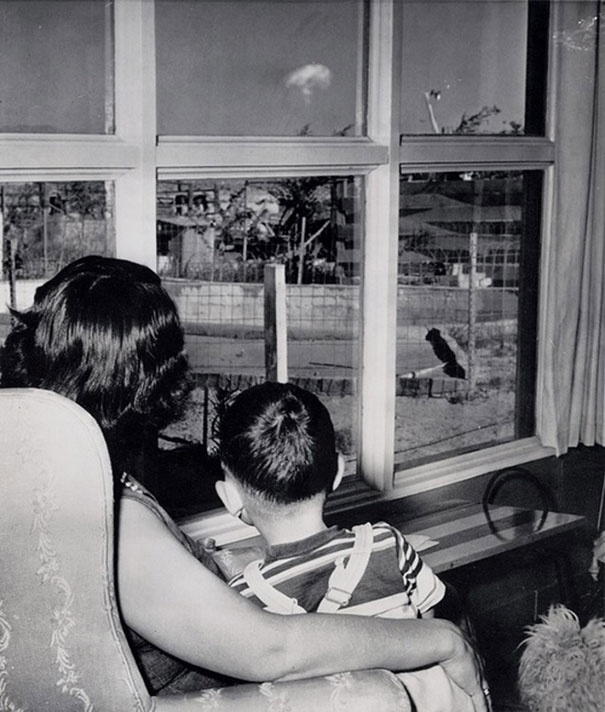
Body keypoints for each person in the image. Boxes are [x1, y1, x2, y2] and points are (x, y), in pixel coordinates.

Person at [0, 255, 489, 711]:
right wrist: (443, 640)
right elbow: (269, 649)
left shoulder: (45, 466)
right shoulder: (112, 517)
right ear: (151, 379)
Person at [216, 381, 478, 712]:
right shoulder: (387, 544)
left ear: (230, 498)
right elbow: (433, 624)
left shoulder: (242, 598)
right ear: (338, 472)